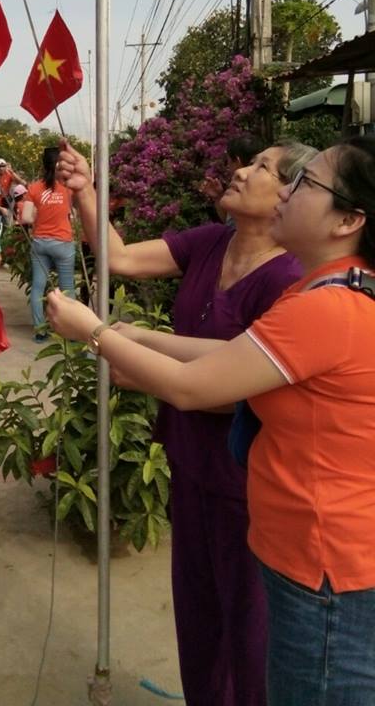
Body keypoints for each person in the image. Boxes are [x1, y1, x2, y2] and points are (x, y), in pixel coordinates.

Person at [48, 137, 375, 706]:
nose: (253, 176)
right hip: (272, 520)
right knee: (205, 623)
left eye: (300, 182)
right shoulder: (312, 290)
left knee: (257, 652)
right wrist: (137, 341)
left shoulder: (319, 303)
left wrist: (97, 334)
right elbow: (229, 357)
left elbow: (198, 386)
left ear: (348, 219)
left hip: (318, 555)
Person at [21, 146, 76, 342]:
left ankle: (40, 330)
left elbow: (26, 217)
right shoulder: (69, 187)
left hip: (40, 242)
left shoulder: (34, 188)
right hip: (63, 243)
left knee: (38, 286)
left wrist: (40, 216)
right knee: (67, 287)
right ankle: (72, 332)